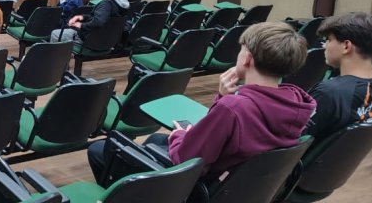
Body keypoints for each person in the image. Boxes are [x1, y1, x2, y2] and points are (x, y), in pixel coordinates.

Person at [87, 22, 315, 181]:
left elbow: (185, 157)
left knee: (99, 149)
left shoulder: (234, 108)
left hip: (197, 184)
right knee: (156, 139)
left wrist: (179, 135)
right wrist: (223, 98)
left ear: (247, 59)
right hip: (236, 186)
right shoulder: (296, 101)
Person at [304, 12, 372, 141]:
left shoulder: (328, 93)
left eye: (329, 40)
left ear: (346, 46)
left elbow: (293, 141)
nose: (324, 45)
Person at [50, 0, 129, 42]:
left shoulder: (107, 4)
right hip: (109, 40)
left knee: (55, 34)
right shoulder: (124, 4)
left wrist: (81, 25)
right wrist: (83, 17)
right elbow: (101, 18)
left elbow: (98, 22)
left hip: (93, 41)